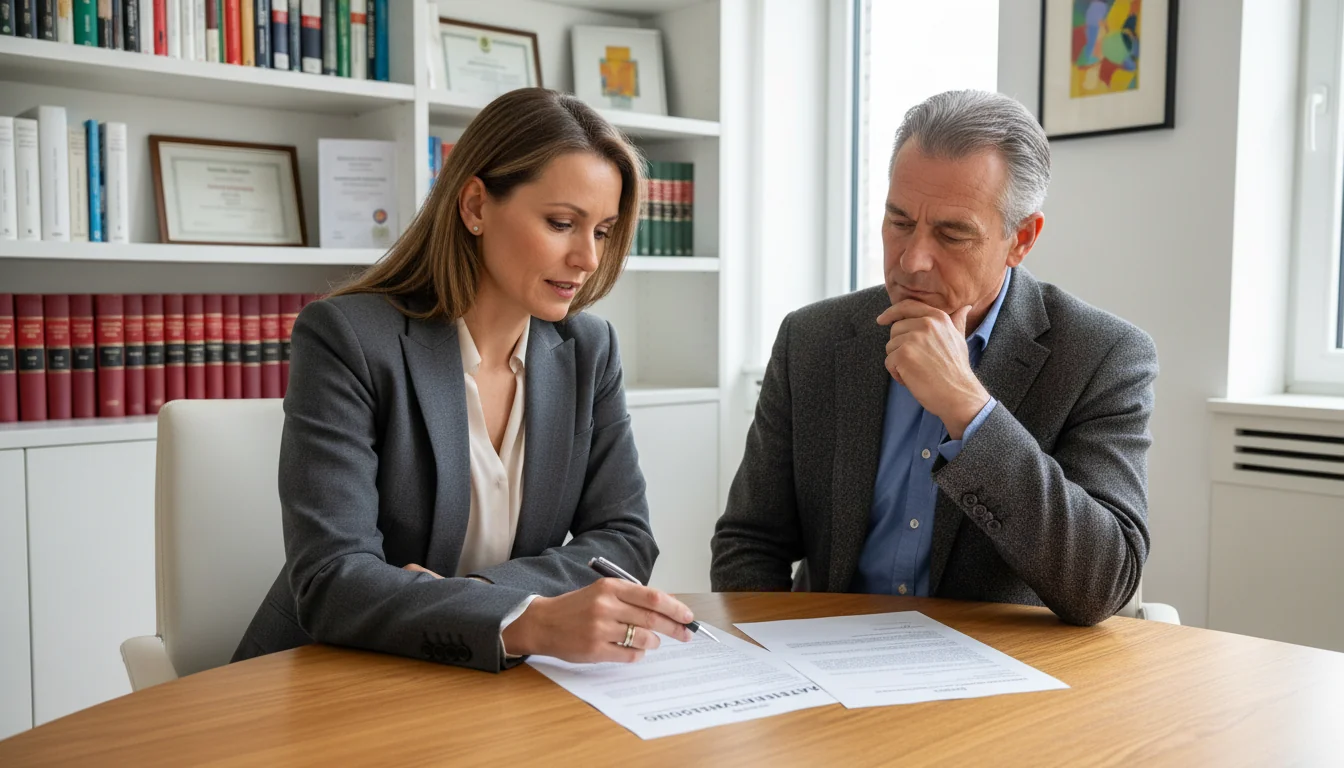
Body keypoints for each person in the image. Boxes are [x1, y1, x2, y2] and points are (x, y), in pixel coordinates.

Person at [233, 88, 697, 672]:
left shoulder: (590, 349)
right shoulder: (346, 338)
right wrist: (525, 618)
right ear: (475, 205)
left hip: (491, 682)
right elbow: (332, 579)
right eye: (561, 223)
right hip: (336, 677)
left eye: (602, 231)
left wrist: (484, 601)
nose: (587, 257)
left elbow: (624, 539)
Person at [710, 90, 1158, 626]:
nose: (914, 260)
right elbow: (749, 542)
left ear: (1022, 240)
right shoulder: (812, 339)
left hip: (1002, 683)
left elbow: (1102, 585)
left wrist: (969, 411)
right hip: (829, 665)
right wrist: (776, 653)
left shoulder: (1102, 356)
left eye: (952, 233)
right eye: (899, 222)